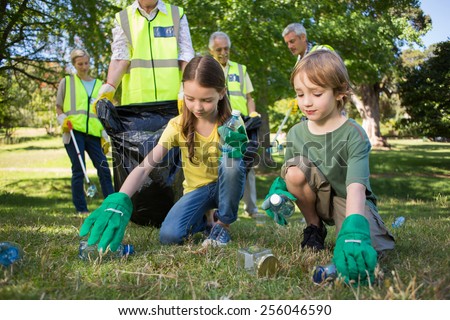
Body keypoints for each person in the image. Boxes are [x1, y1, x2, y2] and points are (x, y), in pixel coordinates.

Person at [79, 56, 248, 250]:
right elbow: (144, 168)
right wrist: (120, 198)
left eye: (206, 100)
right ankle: (205, 220)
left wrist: (235, 149)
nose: (197, 107)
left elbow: (237, 170)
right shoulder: (177, 125)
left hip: (225, 187)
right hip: (197, 191)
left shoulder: (232, 123)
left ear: (221, 93)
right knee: (169, 236)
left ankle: (222, 225)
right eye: (190, 98)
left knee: (232, 163)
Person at [264, 50, 394, 285]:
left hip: (348, 199)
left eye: (316, 93)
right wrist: (278, 192)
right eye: (300, 94)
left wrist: (354, 232)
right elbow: (292, 174)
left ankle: (351, 230)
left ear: (339, 92)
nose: (306, 102)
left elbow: (356, 188)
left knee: (372, 247)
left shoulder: (353, 133)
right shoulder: (295, 133)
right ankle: (314, 228)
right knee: (293, 169)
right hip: (318, 198)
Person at [97, 0, 195, 105]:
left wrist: (187, 88)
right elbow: (120, 58)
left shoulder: (176, 14)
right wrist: (109, 88)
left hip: (174, 100)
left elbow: (186, 55)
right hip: (136, 105)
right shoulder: (124, 18)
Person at [56, 49, 114, 214]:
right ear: (74, 64)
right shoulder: (66, 83)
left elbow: (104, 111)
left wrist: (105, 134)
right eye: (80, 64)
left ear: (90, 63)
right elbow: (58, 107)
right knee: (78, 170)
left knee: (103, 168)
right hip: (74, 132)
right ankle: (81, 209)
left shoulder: (98, 85)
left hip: (94, 134)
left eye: (86, 63)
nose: (83, 67)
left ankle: (110, 206)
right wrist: (63, 121)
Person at [208, 31, 260, 218]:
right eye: (218, 49)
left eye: (226, 49)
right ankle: (219, 208)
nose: (223, 52)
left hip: (240, 124)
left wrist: (253, 113)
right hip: (217, 122)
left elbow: (248, 97)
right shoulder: (208, 70)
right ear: (211, 50)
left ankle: (252, 209)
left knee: (246, 163)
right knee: (219, 164)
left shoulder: (240, 69)